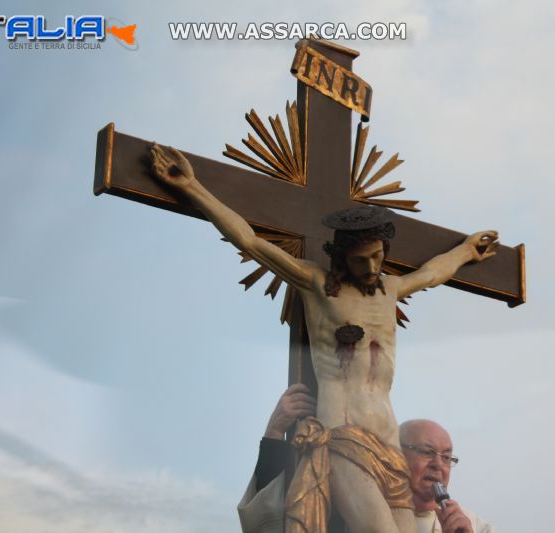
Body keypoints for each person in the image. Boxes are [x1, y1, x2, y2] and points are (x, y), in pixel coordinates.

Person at [151, 145, 498, 533]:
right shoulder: (317, 285)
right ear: (340, 258)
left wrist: (467, 250)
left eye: (377, 257)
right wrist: (192, 187)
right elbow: (249, 242)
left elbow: (434, 273)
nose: (371, 267)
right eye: (360, 259)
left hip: (387, 434)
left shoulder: (390, 289)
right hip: (343, 433)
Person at [238, 386, 497, 533]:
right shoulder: (360, 507)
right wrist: (275, 433)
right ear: (394, 456)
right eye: (427, 452)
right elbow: (271, 517)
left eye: (447, 457)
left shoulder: (473, 526)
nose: (438, 465)